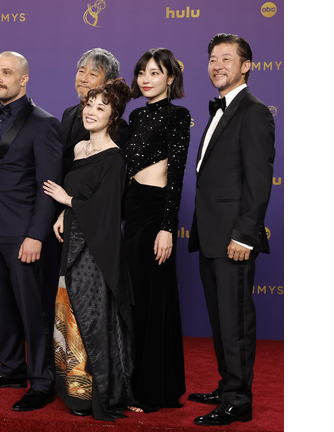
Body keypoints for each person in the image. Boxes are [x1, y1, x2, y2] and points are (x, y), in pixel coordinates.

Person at [188, 33, 275, 426]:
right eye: (212, 59)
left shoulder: (253, 111)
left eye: (226, 58)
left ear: (246, 66)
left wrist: (245, 234)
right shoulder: (220, 110)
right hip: (211, 236)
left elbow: (258, 182)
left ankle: (238, 400)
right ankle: (228, 386)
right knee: (221, 319)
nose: (217, 65)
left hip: (233, 239)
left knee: (236, 320)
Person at [0, 51, 62, 412]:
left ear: (24, 79)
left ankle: (42, 380)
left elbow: (48, 183)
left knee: (32, 310)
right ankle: (10, 368)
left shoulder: (44, 123)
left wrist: (36, 234)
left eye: (6, 72)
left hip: (23, 232)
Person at [43, 78, 135, 421]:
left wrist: (68, 201)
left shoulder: (114, 156)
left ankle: (95, 393)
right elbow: (83, 196)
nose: (92, 112)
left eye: (101, 107)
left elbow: (108, 209)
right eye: (89, 105)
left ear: (113, 117)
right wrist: (65, 213)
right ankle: (73, 389)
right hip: (71, 243)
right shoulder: (79, 148)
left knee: (90, 318)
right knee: (67, 315)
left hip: (95, 253)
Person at [124, 48, 190, 411]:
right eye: (142, 73)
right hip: (132, 215)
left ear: (170, 78)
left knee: (153, 303)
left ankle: (155, 392)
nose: (146, 79)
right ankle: (138, 384)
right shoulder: (134, 116)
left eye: (155, 72)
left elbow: (176, 175)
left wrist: (168, 228)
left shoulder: (178, 115)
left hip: (154, 215)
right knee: (135, 304)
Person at [60, 48, 128, 173]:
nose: (83, 79)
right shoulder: (68, 113)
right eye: (81, 71)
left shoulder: (117, 124)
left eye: (92, 74)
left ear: (109, 83)